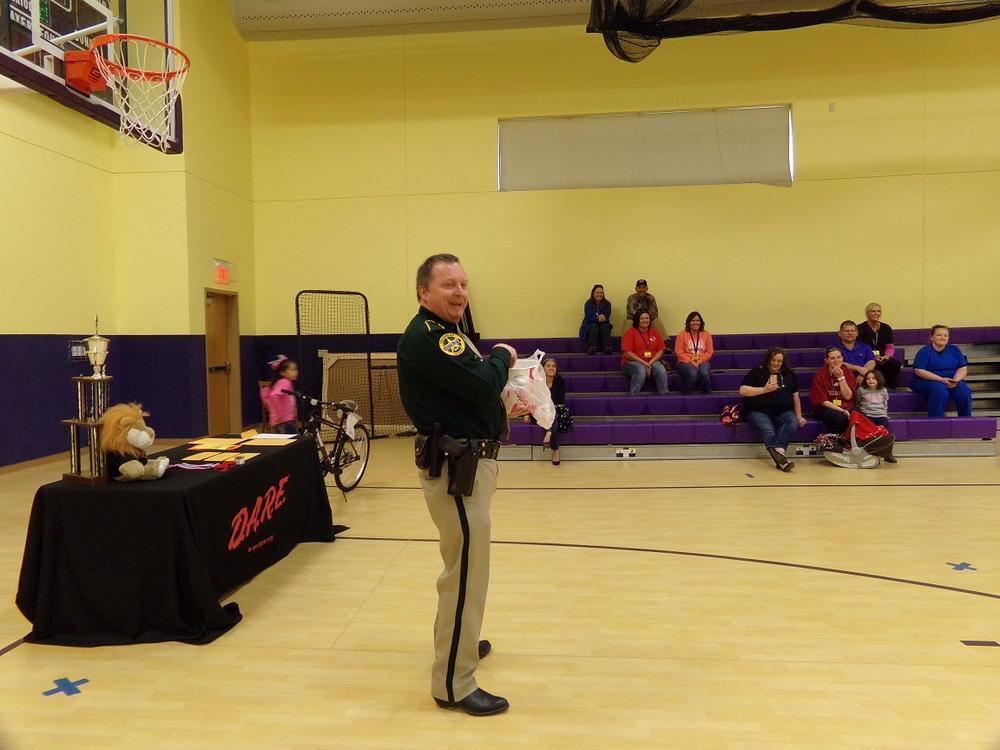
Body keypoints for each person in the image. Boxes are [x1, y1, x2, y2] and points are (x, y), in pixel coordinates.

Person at [396, 253, 517, 717]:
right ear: (423, 292)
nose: (460, 293)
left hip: (465, 462)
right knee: (465, 572)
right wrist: (504, 358)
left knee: (464, 568)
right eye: (449, 284)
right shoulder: (432, 337)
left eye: (464, 284)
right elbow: (485, 382)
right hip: (457, 469)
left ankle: (459, 645)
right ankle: (453, 682)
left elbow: (472, 396)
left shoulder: (446, 334)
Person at [739, 347, 806, 472]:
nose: (776, 363)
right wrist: (764, 390)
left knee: (792, 422)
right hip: (758, 411)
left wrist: (799, 415)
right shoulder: (757, 371)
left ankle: (779, 453)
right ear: (768, 360)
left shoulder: (789, 374)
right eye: (773, 360)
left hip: (783, 411)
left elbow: (795, 396)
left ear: (783, 362)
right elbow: (742, 390)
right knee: (768, 430)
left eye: (779, 361)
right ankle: (782, 461)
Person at [910, 325, 973, 417]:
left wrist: (956, 380)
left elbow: (962, 367)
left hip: (951, 380)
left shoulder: (954, 350)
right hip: (925, 381)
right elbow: (919, 371)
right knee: (940, 390)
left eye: (945, 335)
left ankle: (966, 421)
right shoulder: (924, 351)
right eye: (939, 335)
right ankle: (936, 422)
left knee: (964, 391)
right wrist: (942, 380)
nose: (943, 337)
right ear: (931, 337)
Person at [523, 357, 566, 465]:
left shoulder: (560, 381)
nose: (551, 368)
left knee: (553, 414)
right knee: (547, 414)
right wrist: (527, 414)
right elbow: (531, 399)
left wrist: (550, 407)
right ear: (543, 369)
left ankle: (548, 434)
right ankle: (555, 449)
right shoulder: (537, 382)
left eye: (554, 366)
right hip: (539, 411)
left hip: (556, 409)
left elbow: (560, 400)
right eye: (548, 366)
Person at [620, 311, 669, 395]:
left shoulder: (655, 332)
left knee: (661, 369)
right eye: (642, 318)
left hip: (651, 361)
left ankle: (664, 397)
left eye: (647, 318)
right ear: (637, 320)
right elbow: (628, 353)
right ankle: (634, 397)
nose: (645, 320)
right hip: (632, 362)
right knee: (641, 370)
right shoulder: (630, 332)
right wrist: (645, 364)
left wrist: (650, 363)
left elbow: (660, 350)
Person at [810, 347, 857, 433]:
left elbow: (848, 396)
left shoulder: (848, 373)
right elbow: (822, 401)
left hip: (847, 406)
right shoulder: (820, 375)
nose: (836, 360)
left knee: (861, 416)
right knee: (841, 418)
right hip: (826, 408)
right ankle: (832, 443)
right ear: (826, 360)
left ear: (842, 358)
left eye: (839, 357)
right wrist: (842, 411)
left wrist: (841, 378)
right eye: (832, 358)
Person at [856, 303, 903, 388]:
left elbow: (890, 347)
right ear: (867, 313)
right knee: (874, 365)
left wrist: (887, 356)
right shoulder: (860, 328)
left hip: (882, 357)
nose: (876, 313)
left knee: (895, 364)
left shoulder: (886, 328)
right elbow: (860, 348)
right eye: (873, 311)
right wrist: (873, 358)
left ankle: (890, 387)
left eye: (878, 311)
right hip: (867, 358)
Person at [856, 369, 897, 462]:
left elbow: (885, 404)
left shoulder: (883, 390)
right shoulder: (861, 390)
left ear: (879, 379)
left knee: (888, 434)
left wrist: (885, 415)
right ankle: (869, 453)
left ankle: (888, 453)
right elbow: (857, 403)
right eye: (868, 378)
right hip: (867, 415)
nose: (871, 380)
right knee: (870, 434)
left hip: (881, 416)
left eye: (873, 378)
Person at [674, 311, 713, 394]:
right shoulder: (682, 334)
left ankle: (707, 396)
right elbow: (679, 352)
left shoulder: (706, 334)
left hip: (702, 361)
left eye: (698, 321)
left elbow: (709, 352)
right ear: (688, 322)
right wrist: (691, 361)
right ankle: (685, 396)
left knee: (703, 373)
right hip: (684, 362)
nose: (695, 323)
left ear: (701, 322)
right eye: (693, 320)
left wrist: (699, 361)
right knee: (692, 374)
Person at [260, 355, 299, 434]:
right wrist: (282, 416)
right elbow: (274, 396)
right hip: (284, 422)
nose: (296, 372)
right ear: (282, 372)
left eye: (296, 369)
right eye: (292, 370)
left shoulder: (280, 382)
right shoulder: (285, 382)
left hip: (280, 422)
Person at [835, 320, 876, 384]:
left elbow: (871, 362)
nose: (850, 333)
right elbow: (839, 364)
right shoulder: (834, 349)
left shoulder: (865, 347)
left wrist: (863, 375)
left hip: (865, 380)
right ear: (840, 333)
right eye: (846, 331)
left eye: (852, 331)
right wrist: (858, 368)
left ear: (857, 333)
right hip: (843, 381)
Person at [579, 284, 613, 355]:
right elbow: (589, 318)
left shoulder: (607, 304)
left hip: (602, 326)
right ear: (593, 294)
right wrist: (598, 318)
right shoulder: (588, 303)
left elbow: (606, 316)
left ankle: (607, 347)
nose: (599, 294)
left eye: (601, 293)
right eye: (597, 292)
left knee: (604, 325)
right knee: (594, 326)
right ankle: (592, 347)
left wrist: (599, 318)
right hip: (590, 326)